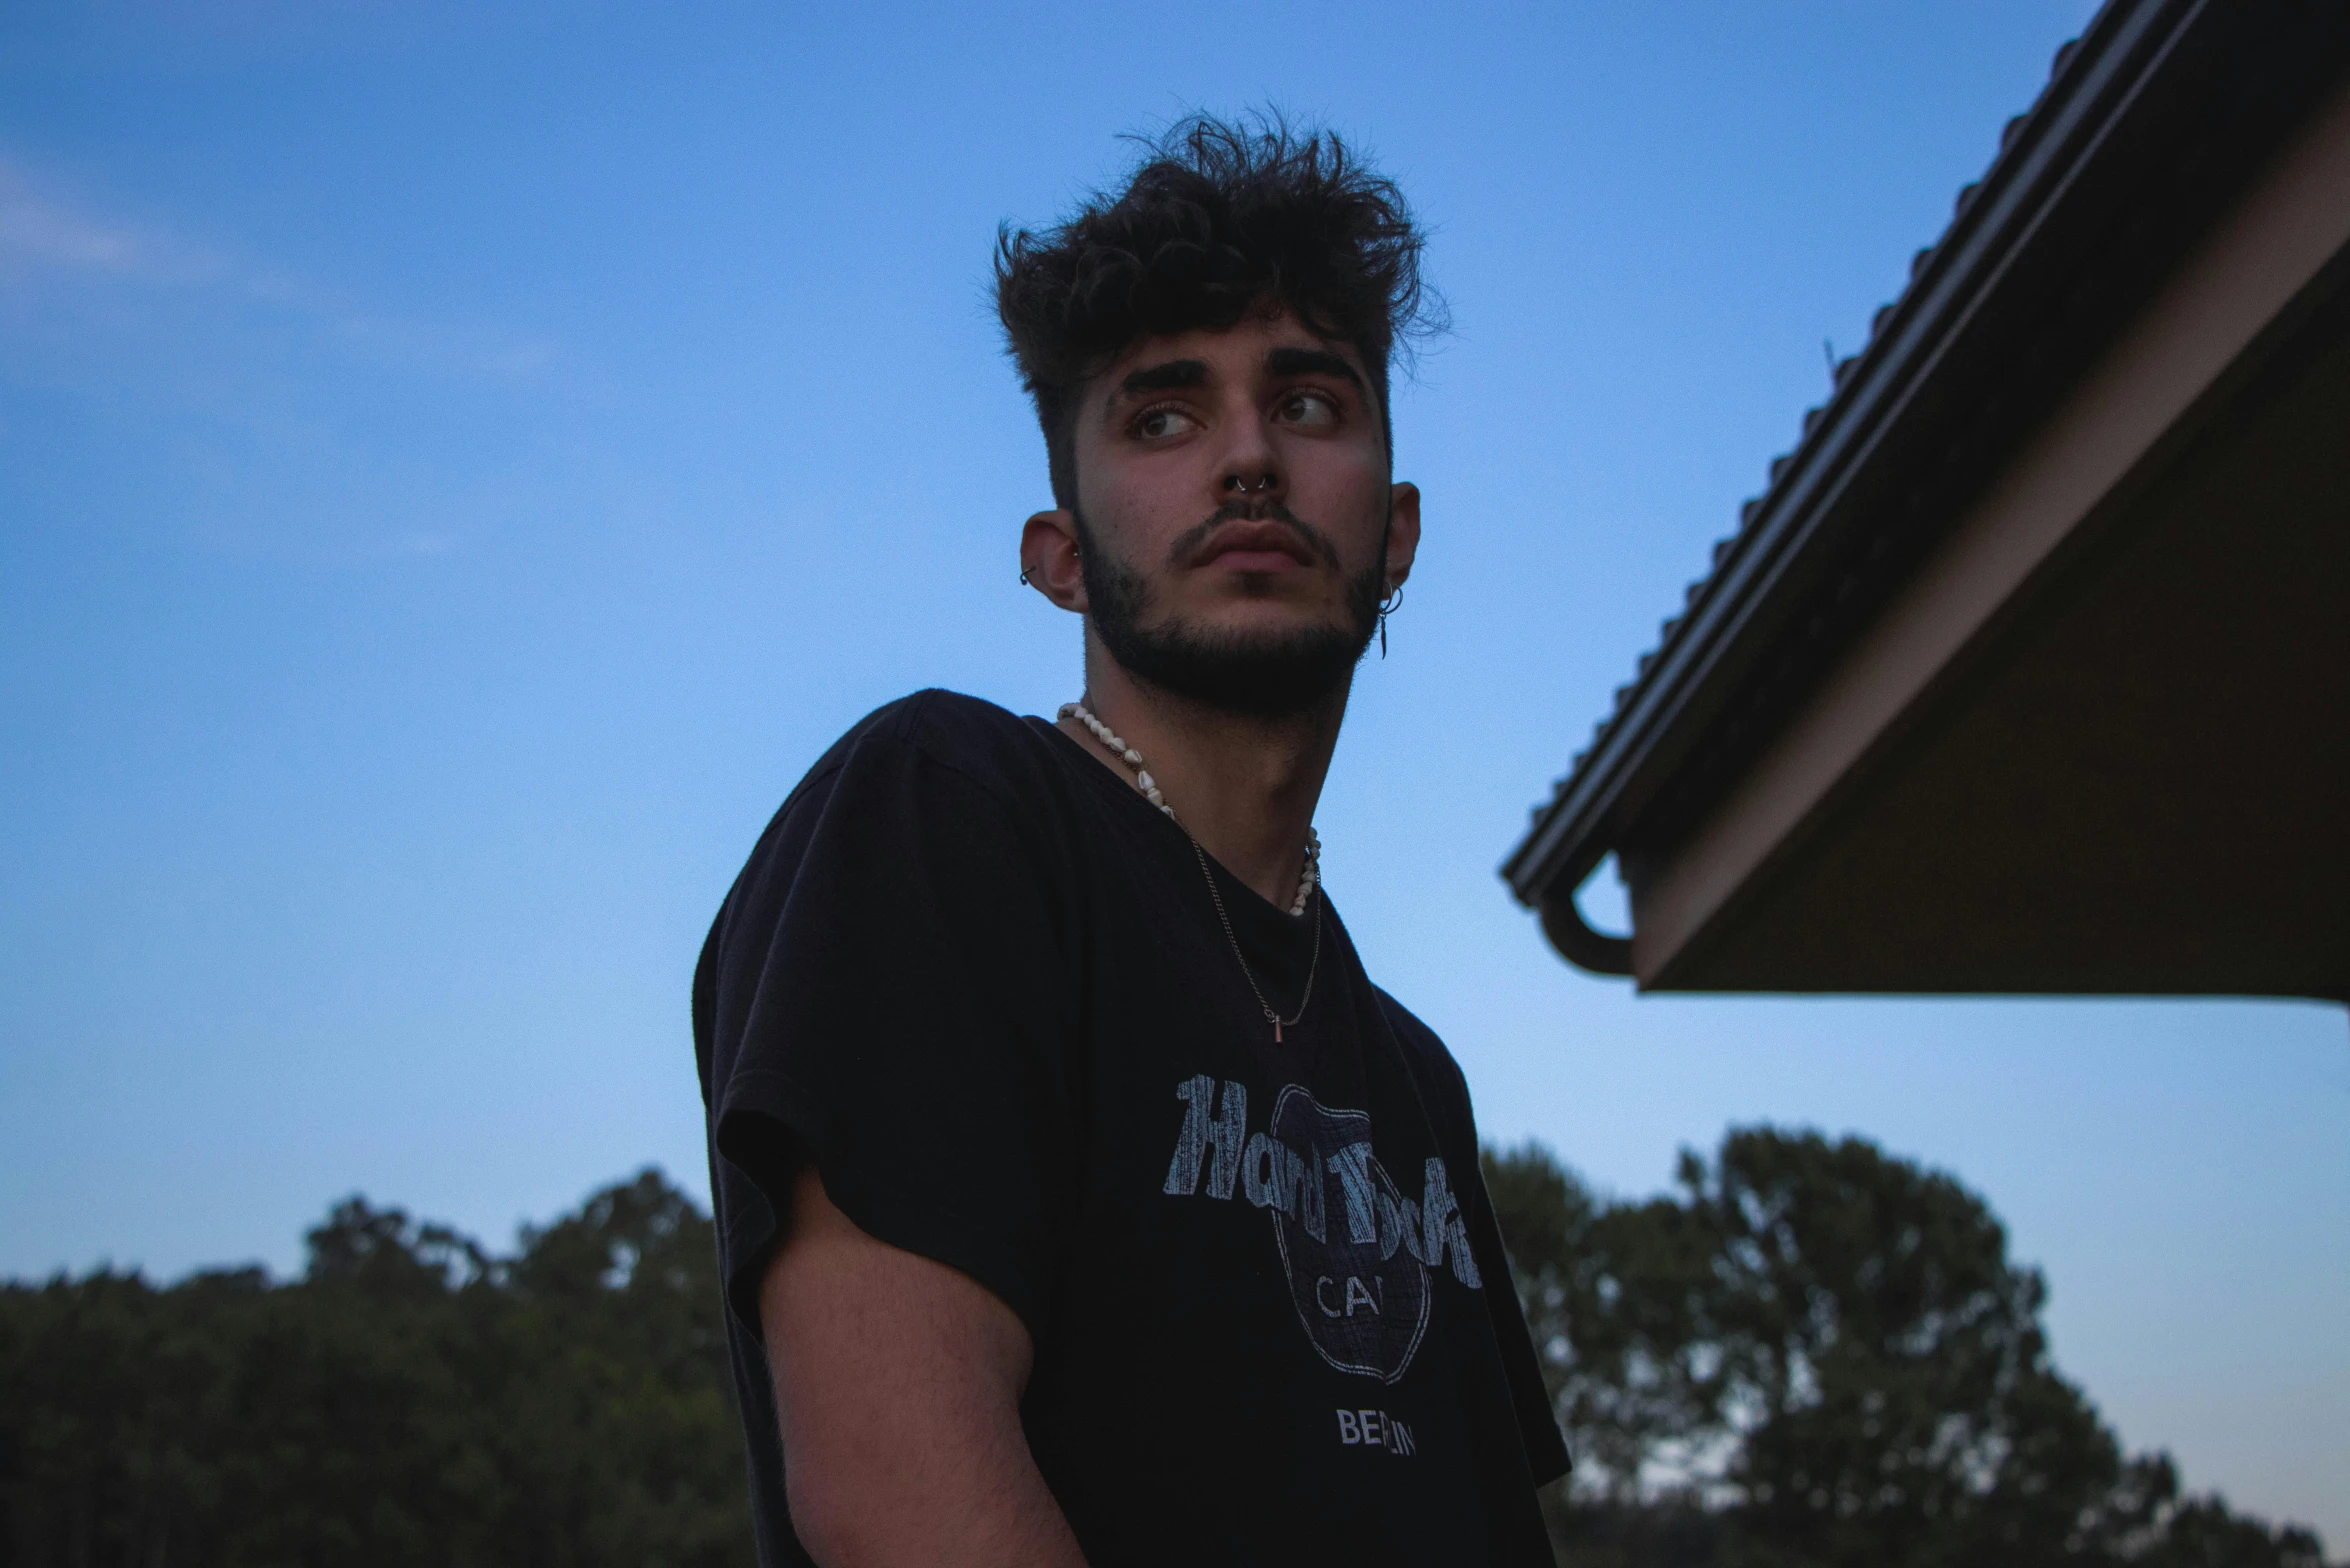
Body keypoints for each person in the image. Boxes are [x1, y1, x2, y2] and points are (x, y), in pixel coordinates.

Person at [693, 113, 1569, 1568]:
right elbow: (902, 1505)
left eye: (1307, 405)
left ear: (1396, 531)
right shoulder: (948, 812)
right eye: (1161, 417)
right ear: (1059, 555)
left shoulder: (1412, 1079)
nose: (1245, 459)